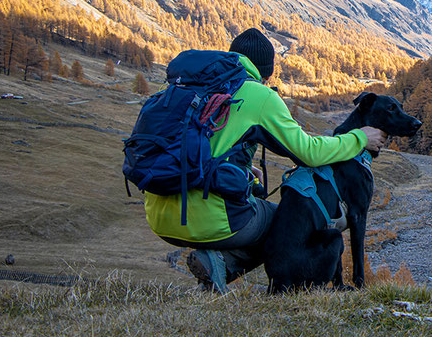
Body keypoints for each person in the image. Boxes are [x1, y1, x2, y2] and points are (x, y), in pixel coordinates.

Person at [142, 28, 386, 291]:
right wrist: (359, 138)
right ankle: (219, 264)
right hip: (205, 218)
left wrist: (239, 171)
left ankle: (215, 262)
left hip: (158, 216)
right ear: (267, 72)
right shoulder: (258, 94)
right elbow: (310, 152)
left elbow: (193, 148)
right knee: (285, 221)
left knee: (252, 208)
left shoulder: (187, 86)